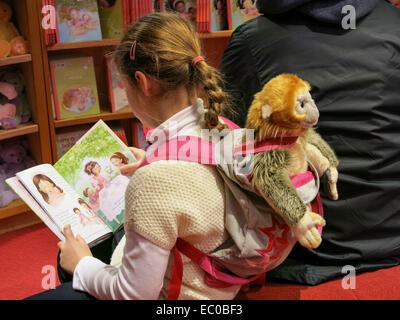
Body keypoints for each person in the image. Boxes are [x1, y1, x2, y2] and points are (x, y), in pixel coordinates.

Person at [26, 13, 239, 300]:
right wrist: (150, 162)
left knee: (69, 268)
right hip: (219, 278)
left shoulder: (157, 177)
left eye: (125, 85)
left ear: (143, 82)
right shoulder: (223, 128)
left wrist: (82, 265)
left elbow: (134, 295)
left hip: (182, 293)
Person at [220, 0, 400, 285]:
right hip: (390, 243)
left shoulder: (252, 40)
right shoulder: (394, 23)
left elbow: (227, 142)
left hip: (289, 252)